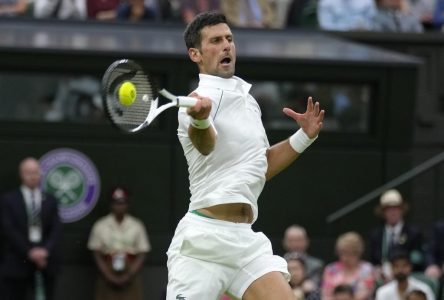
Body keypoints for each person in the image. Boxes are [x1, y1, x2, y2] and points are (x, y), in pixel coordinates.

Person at [167, 10, 324, 300]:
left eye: (229, 38)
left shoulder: (248, 100)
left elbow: (260, 167)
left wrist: (304, 137)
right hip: (203, 242)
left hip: (245, 241)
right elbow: (205, 145)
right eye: (215, 40)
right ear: (195, 54)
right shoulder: (194, 104)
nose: (227, 45)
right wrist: (200, 119)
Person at [1, 157, 62, 300]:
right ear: (21, 174)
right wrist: (30, 252)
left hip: (45, 262)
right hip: (17, 261)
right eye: (29, 173)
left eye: (36, 172)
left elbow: (56, 228)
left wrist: (45, 250)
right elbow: (9, 229)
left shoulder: (50, 200)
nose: (33, 176)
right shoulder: (9, 200)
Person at [87, 187, 151, 300]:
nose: (119, 206)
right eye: (116, 203)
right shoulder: (100, 225)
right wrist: (108, 275)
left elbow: (142, 253)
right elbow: (96, 254)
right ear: (111, 204)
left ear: (128, 204)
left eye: (123, 203)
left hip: (130, 270)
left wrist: (129, 275)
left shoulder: (136, 225)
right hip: (106, 271)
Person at [368, 189, 425, 282]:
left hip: (406, 277)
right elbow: (372, 260)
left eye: (396, 209)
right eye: (388, 210)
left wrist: (399, 270)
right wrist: (377, 269)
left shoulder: (413, 233)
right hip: (381, 279)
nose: (393, 212)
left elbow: (417, 260)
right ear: (383, 213)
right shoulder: (376, 235)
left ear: (402, 210)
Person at [321, 232, 375, 300]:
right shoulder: (330, 269)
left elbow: (364, 295)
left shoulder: (366, 269)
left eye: (348, 253)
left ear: (357, 253)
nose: (344, 258)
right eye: (341, 253)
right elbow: (326, 295)